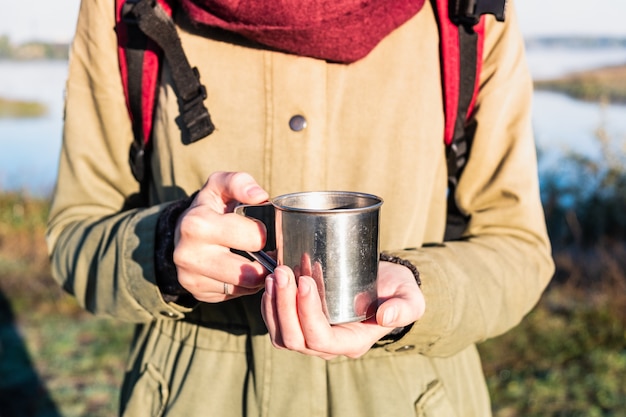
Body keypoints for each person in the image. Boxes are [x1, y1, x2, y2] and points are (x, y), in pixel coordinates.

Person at [46, 0, 555, 415]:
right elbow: (75, 234)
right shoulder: (124, 7)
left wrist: (421, 293)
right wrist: (164, 250)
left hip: (410, 394)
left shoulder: (467, 12)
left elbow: (518, 247)